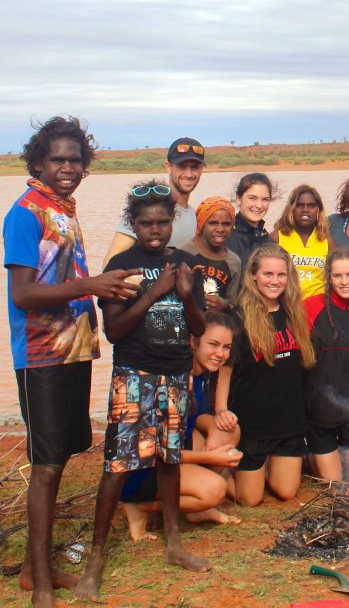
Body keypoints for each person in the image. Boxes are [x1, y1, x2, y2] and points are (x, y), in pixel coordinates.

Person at [3, 117, 141, 607]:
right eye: (57, 159)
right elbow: (21, 294)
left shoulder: (62, 210)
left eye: (75, 160)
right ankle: (40, 584)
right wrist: (90, 286)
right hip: (41, 357)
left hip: (74, 350)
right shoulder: (25, 213)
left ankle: (31, 569)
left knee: (60, 456)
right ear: (38, 162)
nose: (67, 167)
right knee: (44, 465)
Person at [77, 181, 209, 601]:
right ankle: (96, 558)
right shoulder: (122, 264)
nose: (155, 230)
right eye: (146, 223)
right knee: (118, 464)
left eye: (163, 222)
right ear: (133, 224)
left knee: (169, 459)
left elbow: (201, 328)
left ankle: (173, 542)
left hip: (174, 375)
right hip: (134, 374)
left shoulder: (189, 263)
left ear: (173, 223)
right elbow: (114, 331)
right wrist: (154, 292)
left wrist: (186, 295)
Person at [120, 310, 243, 541]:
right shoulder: (175, 378)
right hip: (144, 468)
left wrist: (216, 426)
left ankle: (196, 509)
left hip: (173, 451)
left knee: (229, 430)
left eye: (225, 347)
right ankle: (141, 505)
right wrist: (211, 458)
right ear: (193, 342)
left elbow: (195, 416)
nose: (220, 354)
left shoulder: (199, 373)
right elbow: (157, 450)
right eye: (213, 344)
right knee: (216, 489)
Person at [218, 244, 315, 506]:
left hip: (288, 421)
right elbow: (225, 371)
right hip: (253, 423)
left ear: (289, 277)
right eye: (268, 275)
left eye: (281, 275)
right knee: (249, 500)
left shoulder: (295, 313)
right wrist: (220, 410)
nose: (275, 281)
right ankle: (219, 474)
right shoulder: (239, 317)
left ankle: (269, 466)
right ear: (253, 277)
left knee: (286, 492)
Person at [303, 249, 349, 484]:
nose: (344, 282)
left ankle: (343, 454)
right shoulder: (311, 307)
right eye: (337, 276)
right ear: (329, 278)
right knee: (334, 486)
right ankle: (310, 454)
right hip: (321, 408)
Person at [103, 137, 206, 266]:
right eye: (182, 166)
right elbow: (110, 262)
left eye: (194, 167)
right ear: (168, 167)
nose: (189, 174)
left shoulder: (195, 217)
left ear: (202, 169)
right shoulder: (145, 209)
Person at [177, 196, 242, 310]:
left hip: (217, 324)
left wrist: (224, 305)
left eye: (226, 224)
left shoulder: (234, 262)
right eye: (213, 223)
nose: (220, 229)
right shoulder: (182, 252)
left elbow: (233, 304)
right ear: (201, 224)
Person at [272, 184, 333, 300]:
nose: (305, 210)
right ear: (292, 208)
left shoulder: (327, 240)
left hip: (318, 307)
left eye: (311, 206)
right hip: (287, 304)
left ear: (318, 209)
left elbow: (335, 276)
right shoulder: (277, 237)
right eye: (300, 205)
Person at [224, 172, 275, 270]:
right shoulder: (224, 237)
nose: (259, 205)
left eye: (265, 199)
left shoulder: (270, 244)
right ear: (238, 199)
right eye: (252, 198)